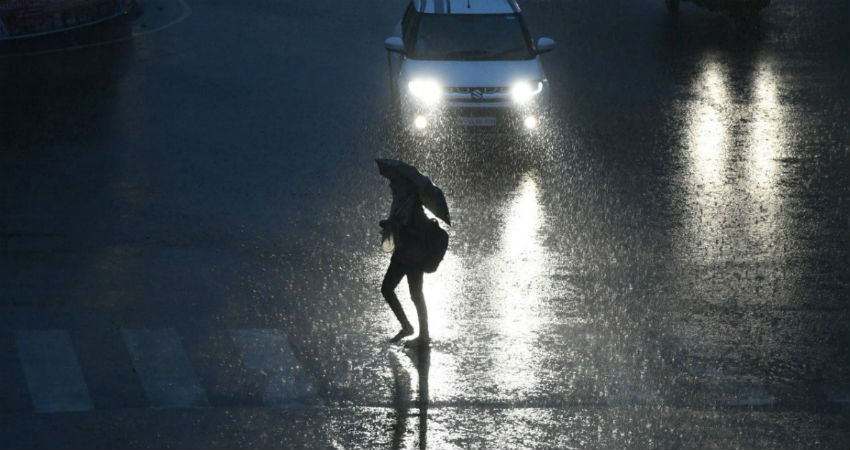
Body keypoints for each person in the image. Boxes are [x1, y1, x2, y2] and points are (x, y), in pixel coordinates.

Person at [380, 178, 431, 348]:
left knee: (416, 295)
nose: (391, 185)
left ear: (403, 186)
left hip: (414, 259)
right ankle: (407, 326)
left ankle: (424, 336)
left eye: (394, 184)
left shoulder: (414, 207)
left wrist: (400, 227)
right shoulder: (400, 204)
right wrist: (390, 225)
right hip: (402, 255)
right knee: (387, 289)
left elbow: (420, 233)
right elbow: (398, 225)